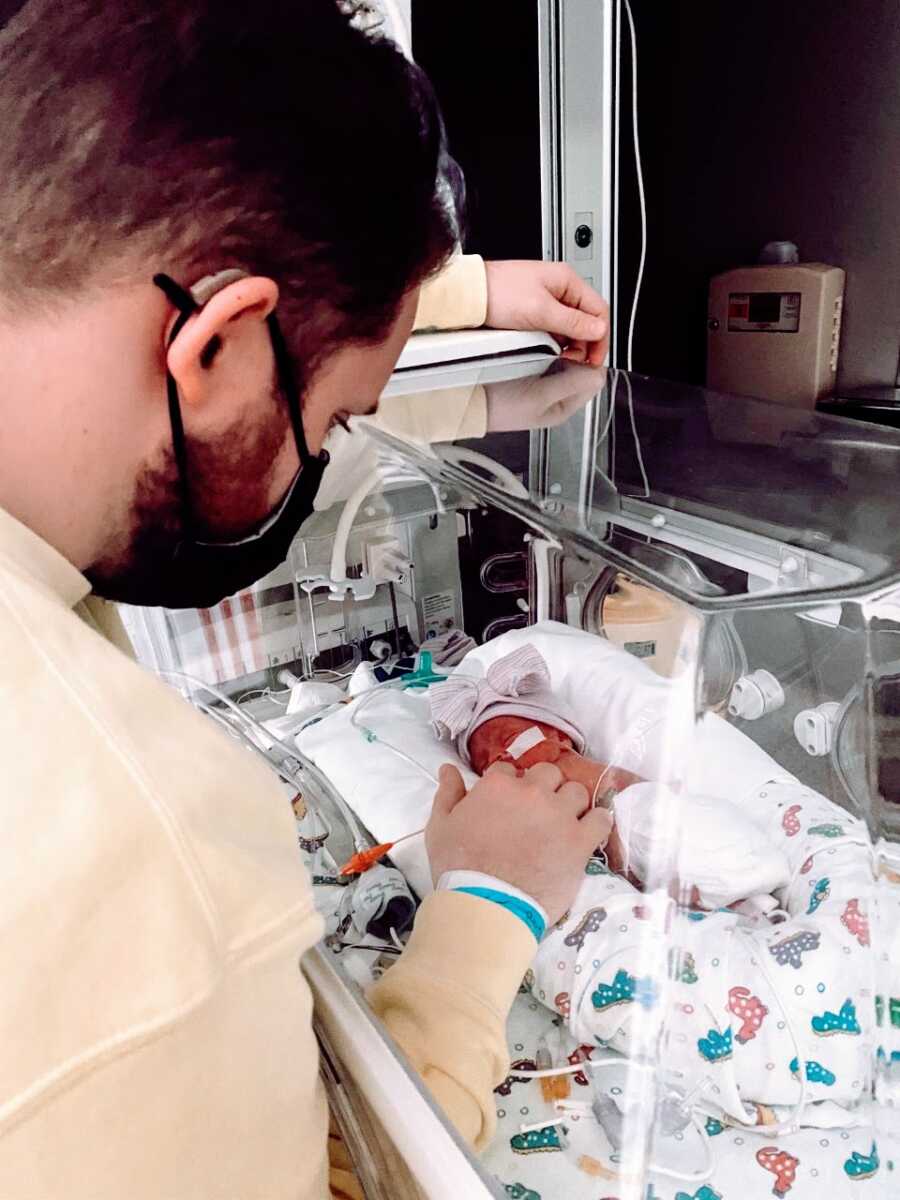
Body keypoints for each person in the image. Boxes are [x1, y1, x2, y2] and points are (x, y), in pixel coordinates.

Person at [0, 2, 611, 1197]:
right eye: (334, 424)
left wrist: (462, 301)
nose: (321, 465)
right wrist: (484, 915)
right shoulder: (134, 853)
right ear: (219, 342)